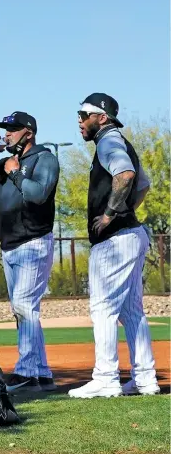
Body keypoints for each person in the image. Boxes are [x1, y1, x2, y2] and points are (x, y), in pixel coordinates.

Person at [68, 93, 160, 399]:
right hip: (132, 235)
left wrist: (110, 213)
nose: (79, 121)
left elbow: (127, 175)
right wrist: (127, 210)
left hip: (115, 240)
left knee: (103, 309)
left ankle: (106, 378)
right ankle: (145, 379)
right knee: (132, 312)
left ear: (101, 118)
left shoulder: (108, 141)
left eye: (84, 115)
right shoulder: (119, 141)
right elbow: (144, 184)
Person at [0, 111, 60, 391]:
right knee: (23, 310)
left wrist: (15, 173)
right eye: (5, 129)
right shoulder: (4, 163)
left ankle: (28, 371)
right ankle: (40, 372)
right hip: (9, 245)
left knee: (24, 307)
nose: (7, 133)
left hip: (33, 242)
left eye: (13, 129)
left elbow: (37, 194)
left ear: (28, 133)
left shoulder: (45, 159)